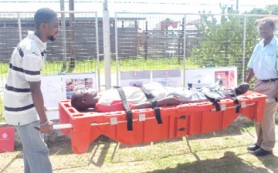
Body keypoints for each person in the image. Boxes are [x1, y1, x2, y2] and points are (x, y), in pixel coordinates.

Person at [3, 8, 67, 173]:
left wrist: (39, 109)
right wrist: (44, 120)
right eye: (55, 26)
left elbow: (31, 88)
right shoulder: (32, 50)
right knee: (39, 149)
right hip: (22, 108)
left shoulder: (35, 44)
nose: (58, 30)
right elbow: (35, 89)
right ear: (43, 26)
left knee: (31, 148)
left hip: (21, 105)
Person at [70, 82, 249, 112]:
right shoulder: (104, 105)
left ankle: (221, 87)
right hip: (161, 96)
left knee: (193, 91)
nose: (90, 89)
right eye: (86, 91)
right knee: (198, 97)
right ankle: (232, 92)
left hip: (155, 89)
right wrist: (161, 103)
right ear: (85, 101)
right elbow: (131, 109)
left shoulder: (102, 96)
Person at [245, 19, 278, 157]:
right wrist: (246, 83)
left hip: (273, 84)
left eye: (265, 28)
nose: (262, 31)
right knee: (257, 114)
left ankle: (268, 146)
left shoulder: (276, 46)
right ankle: (259, 142)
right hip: (259, 84)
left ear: (273, 28)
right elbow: (252, 67)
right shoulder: (259, 46)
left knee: (267, 116)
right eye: (260, 29)